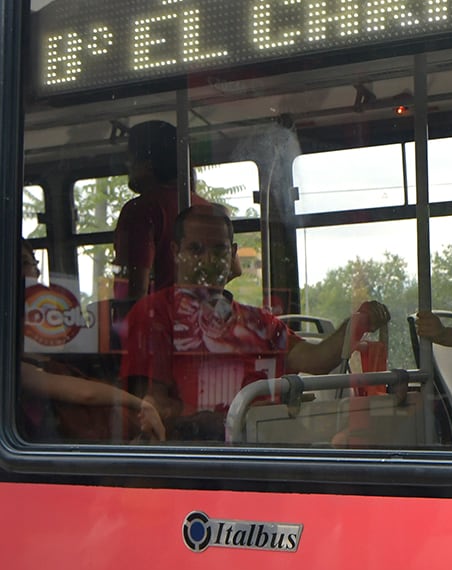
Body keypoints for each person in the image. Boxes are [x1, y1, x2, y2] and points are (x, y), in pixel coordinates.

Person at [121, 204, 390, 438]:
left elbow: (315, 360)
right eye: (196, 249)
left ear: (232, 253)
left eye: (219, 249)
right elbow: (152, 409)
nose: (208, 260)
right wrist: (243, 416)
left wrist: (354, 326)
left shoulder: (258, 322)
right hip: (194, 461)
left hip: (265, 451)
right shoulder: (154, 315)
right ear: (175, 251)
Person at [18, 240, 166, 441]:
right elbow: (84, 393)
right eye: (22, 263)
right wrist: (140, 404)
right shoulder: (17, 366)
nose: (31, 273)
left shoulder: (58, 342)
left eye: (31, 263)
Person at [113, 120, 211, 301]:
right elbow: (233, 269)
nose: (128, 165)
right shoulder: (207, 209)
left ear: (148, 164)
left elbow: (137, 288)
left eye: (132, 158)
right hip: (200, 319)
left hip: (159, 322)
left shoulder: (140, 210)